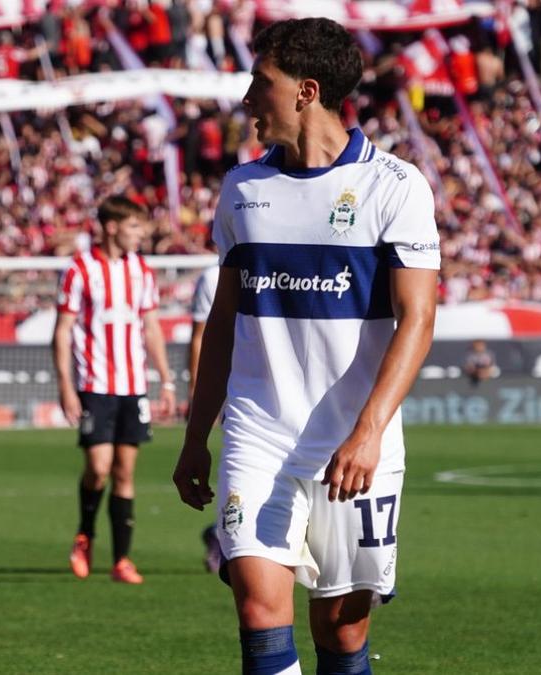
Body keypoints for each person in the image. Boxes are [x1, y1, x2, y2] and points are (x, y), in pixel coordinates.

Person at [173, 18, 439, 674]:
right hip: (258, 433)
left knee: (342, 632)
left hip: (355, 444)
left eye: (260, 81)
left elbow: (418, 319)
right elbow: (224, 320)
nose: (247, 98)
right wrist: (196, 434)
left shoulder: (395, 186)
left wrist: (369, 432)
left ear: (306, 91)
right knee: (259, 609)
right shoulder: (242, 189)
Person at [53, 196, 177, 584]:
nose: (141, 234)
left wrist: (166, 380)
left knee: (125, 472)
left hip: (133, 386)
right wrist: (66, 386)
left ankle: (121, 559)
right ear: (111, 227)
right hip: (94, 385)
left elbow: (151, 328)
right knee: (99, 468)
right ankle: (85, 535)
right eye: (134, 226)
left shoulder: (142, 271)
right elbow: (62, 331)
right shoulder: (79, 269)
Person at [188, 264, 222, 574]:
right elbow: (200, 336)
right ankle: (223, 534)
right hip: (237, 388)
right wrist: (199, 391)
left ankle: (218, 532)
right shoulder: (212, 278)